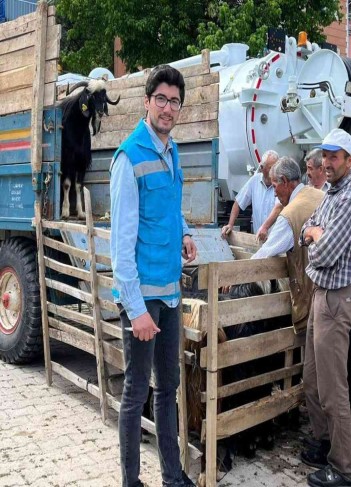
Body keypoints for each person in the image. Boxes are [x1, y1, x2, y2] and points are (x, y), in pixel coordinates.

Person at [110, 65, 197, 487]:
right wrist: (135, 308)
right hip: (142, 300)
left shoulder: (172, 150)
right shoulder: (130, 157)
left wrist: (184, 234)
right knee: (135, 393)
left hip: (171, 295)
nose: (167, 108)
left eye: (174, 101)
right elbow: (121, 245)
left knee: (168, 391)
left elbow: (169, 207)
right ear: (146, 102)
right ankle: (131, 481)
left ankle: (172, 475)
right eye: (160, 99)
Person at [247, 157, 351, 436]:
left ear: (285, 183)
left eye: (276, 186)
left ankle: (330, 438)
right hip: (345, 289)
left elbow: (265, 254)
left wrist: (237, 275)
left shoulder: (291, 214)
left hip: (319, 293)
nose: (274, 193)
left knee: (324, 373)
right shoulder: (319, 195)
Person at [300, 128, 351, 487]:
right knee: (312, 379)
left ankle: (342, 467)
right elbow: (307, 232)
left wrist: (315, 237)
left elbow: (323, 253)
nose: (327, 162)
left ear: (348, 160)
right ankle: (323, 442)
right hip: (320, 295)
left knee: (332, 387)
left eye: (334, 156)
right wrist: (314, 233)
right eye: (324, 156)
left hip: (335, 298)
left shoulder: (349, 202)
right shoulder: (329, 194)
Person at [256, 149, 329, 242]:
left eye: (310, 168)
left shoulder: (330, 193)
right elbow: (279, 206)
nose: (307, 173)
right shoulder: (305, 190)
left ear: (321, 169)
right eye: (306, 168)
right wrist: (265, 226)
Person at [221, 150, 278, 237]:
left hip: (276, 240)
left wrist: (265, 228)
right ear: (262, 168)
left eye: (276, 168)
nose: (274, 172)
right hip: (259, 239)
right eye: (271, 168)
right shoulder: (254, 181)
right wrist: (230, 224)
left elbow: (279, 208)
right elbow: (238, 203)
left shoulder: (280, 184)